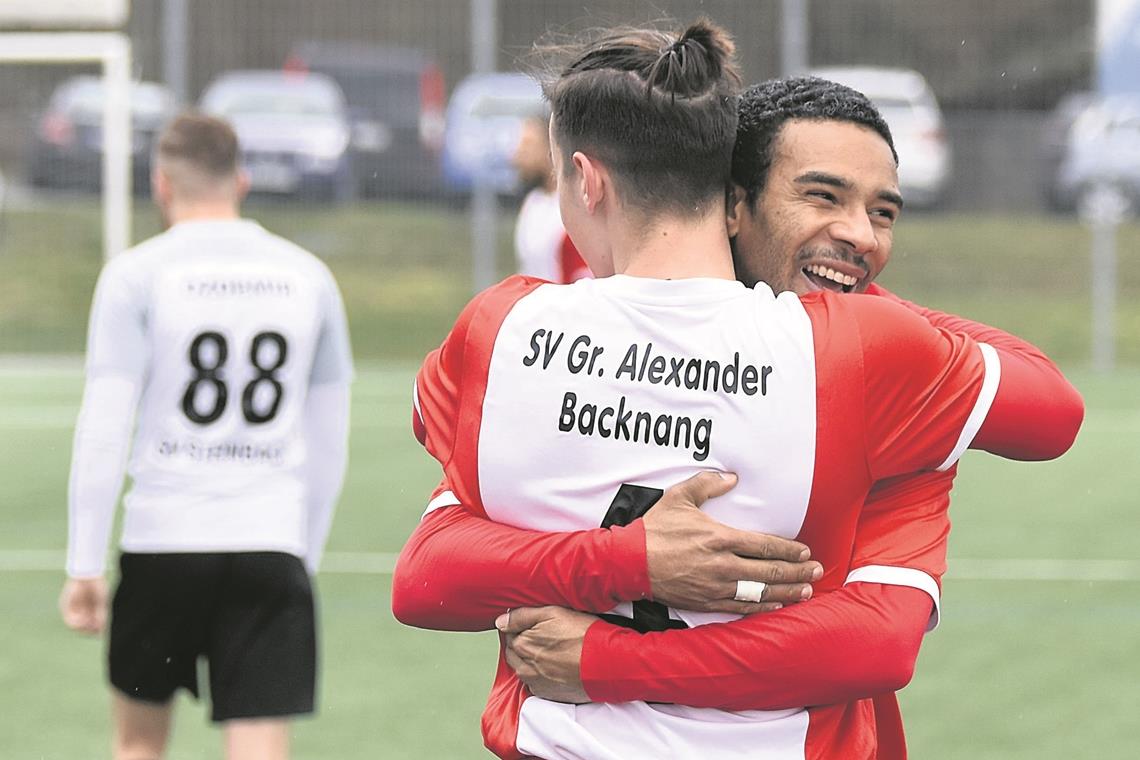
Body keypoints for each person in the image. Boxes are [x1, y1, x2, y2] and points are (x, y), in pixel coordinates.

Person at [396, 20, 1082, 759]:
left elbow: (427, 575)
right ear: (731, 200)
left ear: (587, 180)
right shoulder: (872, 363)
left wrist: (606, 649)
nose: (860, 235)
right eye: (822, 196)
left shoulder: (505, 325)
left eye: (883, 211)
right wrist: (632, 559)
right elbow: (1048, 414)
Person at [59, 113, 354, 760]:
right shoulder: (308, 277)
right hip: (267, 541)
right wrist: (301, 552)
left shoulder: (137, 274)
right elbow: (331, 435)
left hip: (164, 540)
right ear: (241, 180)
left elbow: (104, 424)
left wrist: (84, 562)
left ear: (161, 185)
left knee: (138, 745)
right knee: (258, 750)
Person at [512, 112, 591, 283]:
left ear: (551, 150)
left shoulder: (577, 207)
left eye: (527, 145)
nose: (517, 156)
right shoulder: (533, 202)